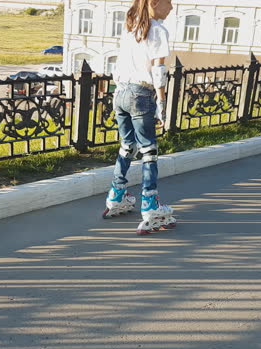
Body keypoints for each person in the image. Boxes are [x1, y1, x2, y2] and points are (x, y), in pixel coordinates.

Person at [101, 0, 176, 235]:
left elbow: (117, 65)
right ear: (155, 3)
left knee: (127, 145)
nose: (171, 7)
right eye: (169, 2)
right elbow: (159, 71)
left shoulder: (130, 28)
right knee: (149, 151)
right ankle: (151, 205)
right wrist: (162, 103)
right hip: (140, 93)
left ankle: (116, 194)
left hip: (120, 93)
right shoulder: (157, 30)